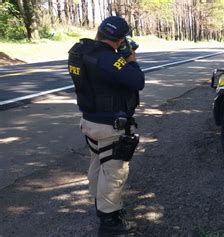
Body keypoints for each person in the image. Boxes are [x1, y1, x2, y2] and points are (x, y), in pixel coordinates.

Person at [67, 16, 145, 235]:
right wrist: (131, 60)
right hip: (110, 126)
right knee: (114, 173)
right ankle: (110, 222)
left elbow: (98, 80)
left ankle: (99, 204)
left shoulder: (80, 52)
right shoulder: (110, 60)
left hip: (89, 120)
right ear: (120, 40)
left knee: (97, 164)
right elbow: (137, 81)